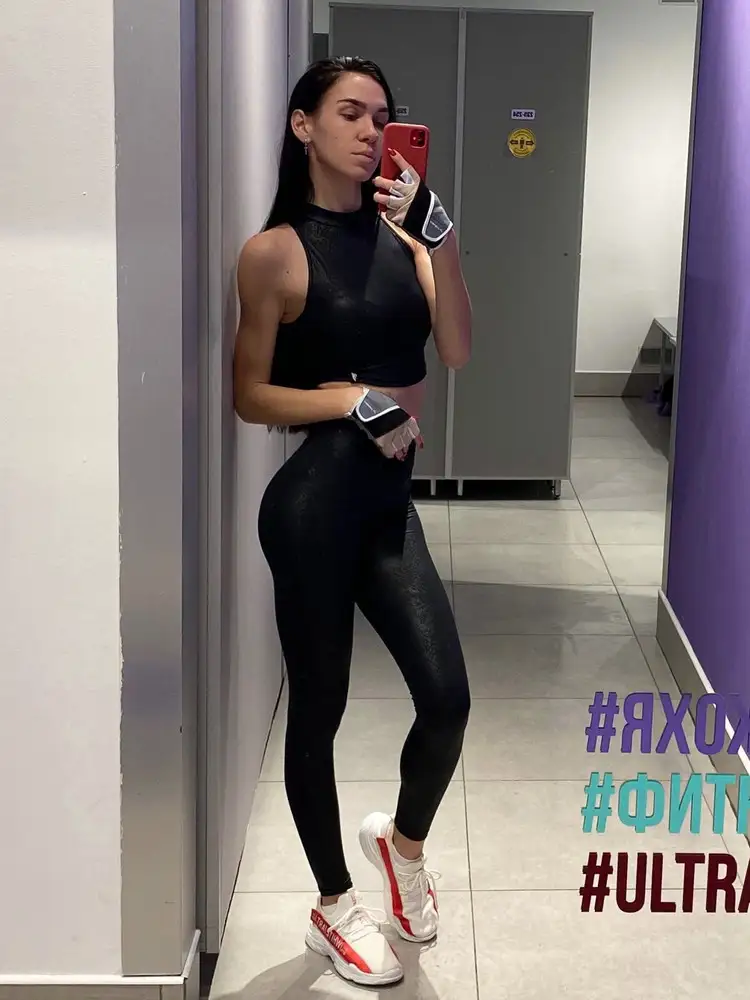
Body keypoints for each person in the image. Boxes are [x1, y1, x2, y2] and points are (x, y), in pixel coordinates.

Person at [233, 56, 472, 988]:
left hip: (386, 508)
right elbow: (250, 396)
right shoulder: (275, 252)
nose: (372, 131)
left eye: (383, 115)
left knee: (446, 700)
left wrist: (441, 238)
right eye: (350, 113)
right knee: (319, 710)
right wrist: (348, 400)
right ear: (303, 125)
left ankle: (401, 850)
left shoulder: (405, 240)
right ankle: (333, 904)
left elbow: (457, 349)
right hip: (311, 512)